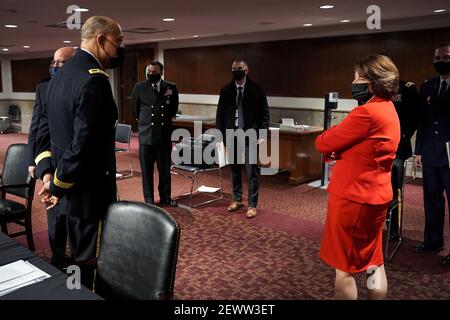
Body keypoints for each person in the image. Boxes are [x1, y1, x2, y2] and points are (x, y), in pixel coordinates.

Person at [34, 15, 124, 287]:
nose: (121, 47)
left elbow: (45, 132)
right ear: (101, 40)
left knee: (76, 258)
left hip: (68, 191)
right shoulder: (93, 80)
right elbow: (83, 146)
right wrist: (58, 186)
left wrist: (49, 177)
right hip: (89, 195)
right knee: (91, 264)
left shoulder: (61, 76)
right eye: (118, 41)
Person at [315, 54, 400, 299]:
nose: (354, 81)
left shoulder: (366, 113)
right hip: (377, 196)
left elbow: (323, 142)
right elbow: (365, 148)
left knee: (344, 270)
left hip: (354, 198)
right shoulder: (388, 109)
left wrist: (336, 146)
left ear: (374, 81)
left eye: (358, 77)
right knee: (374, 262)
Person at [27, 46, 75, 267]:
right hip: (53, 161)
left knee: (76, 218)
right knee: (55, 214)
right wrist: (34, 162)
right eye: (53, 63)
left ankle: (79, 261)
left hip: (78, 167)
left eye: (60, 63)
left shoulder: (84, 87)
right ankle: (58, 258)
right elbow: (37, 130)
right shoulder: (44, 89)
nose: (55, 66)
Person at [216, 59, 270, 218]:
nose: (236, 71)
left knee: (251, 171)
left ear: (247, 70)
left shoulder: (256, 89)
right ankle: (237, 199)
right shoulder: (226, 90)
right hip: (231, 135)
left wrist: (262, 134)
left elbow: (264, 113)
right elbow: (220, 114)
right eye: (233, 68)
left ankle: (252, 205)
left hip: (250, 136)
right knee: (234, 170)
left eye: (239, 68)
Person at [413, 42, 450, 268]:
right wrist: (418, 151)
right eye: (437, 58)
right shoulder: (428, 85)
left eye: (445, 57)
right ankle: (433, 241)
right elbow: (423, 121)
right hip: (430, 152)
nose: (440, 62)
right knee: (432, 199)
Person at [132, 61, 179, 206]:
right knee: (147, 172)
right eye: (149, 72)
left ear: (161, 72)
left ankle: (165, 197)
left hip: (164, 135)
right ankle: (149, 200)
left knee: (164, 170)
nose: (151, 74)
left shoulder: (170, 87)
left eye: (154, 72)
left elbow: (173, 108)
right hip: (146, 136)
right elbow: (135, 110)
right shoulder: (139, 87)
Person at [388, 79, 420, 240]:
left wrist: (400, 138)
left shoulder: (406, 88)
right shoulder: (373, 87)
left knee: (395, 191)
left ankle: (393, 228)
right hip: (377, 149)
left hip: (398, 150)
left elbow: (413, 117)